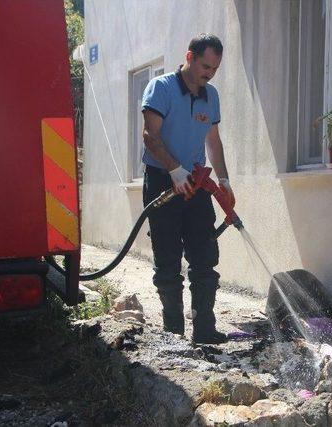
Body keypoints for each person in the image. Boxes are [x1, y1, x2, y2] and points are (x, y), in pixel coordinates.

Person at [141, 34, 235, 344]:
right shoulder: (162, 88)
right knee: (168, 260)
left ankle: (205, 331)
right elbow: (149, 136)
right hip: (162, 180)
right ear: (190, 57)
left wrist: (224, 181)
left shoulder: (211, 96)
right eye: (206, 65)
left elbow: (213, 141)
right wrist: (173, 169)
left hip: (196, 184)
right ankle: (174, 334)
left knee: (204, 255)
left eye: (215, 68)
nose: (210, 73)